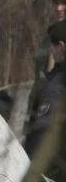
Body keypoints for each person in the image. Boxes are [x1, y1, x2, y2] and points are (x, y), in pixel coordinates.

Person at [24, 20, 66, 160]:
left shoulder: (56, 85)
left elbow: (41, 133)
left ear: (61, 46)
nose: (50, 51)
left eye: (52, 46)